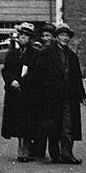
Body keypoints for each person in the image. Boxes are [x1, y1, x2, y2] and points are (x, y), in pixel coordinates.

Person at [32, 22, 86, 164]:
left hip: (68, 95)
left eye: (67, 36)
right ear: (56, 37)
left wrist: (81, 94)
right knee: (53, 125)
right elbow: (38, 74)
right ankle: (55, 154)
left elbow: (77, 77)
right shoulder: (46, 53)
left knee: (68, 126)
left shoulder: (72, 56)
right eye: (62, 35)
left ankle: (67, 154)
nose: (65, 38)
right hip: (51, 96)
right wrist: (42, 92)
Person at [1, 22, 37, 162]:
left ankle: (25, 151)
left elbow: (35, 72)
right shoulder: (12, 54)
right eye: (21, 36)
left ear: (30, 39)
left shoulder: (34, 54)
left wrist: (21, 82)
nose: (23, 38)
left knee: (27, 122)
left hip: (27, 92)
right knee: (17, 122)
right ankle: (20, 150)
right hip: (14, 92)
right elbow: (6, 71)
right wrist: (11, 82)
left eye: (26, 36)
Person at [30, 23, 58, 161]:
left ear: (53, 37)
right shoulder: (39, 52)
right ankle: (39, 150)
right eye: (44, 36)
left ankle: (53, 151)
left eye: (48, 35)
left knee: (52, 124)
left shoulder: (57, 52)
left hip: (53, 93)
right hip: (41, 93)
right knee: (40, 123)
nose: (45, 38)